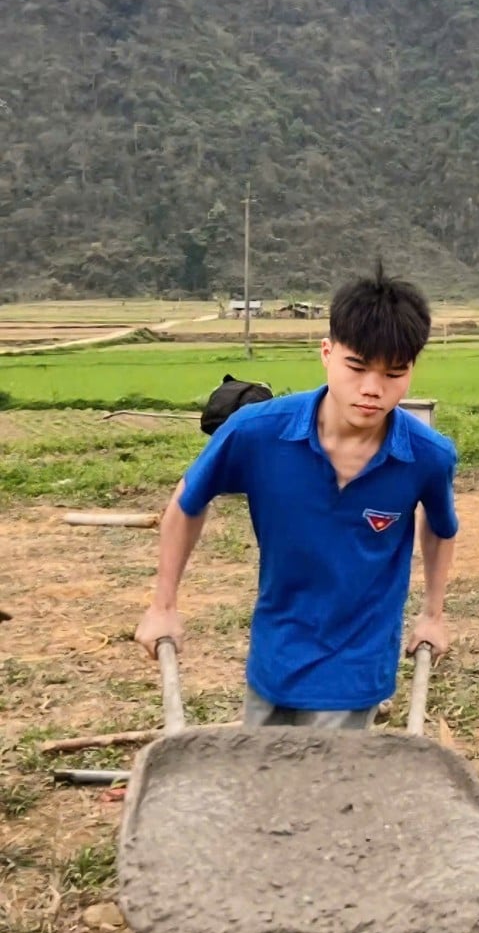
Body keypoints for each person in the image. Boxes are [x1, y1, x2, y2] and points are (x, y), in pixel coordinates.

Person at [134, 265, 458, 729]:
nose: (372, 389)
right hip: (277, 653)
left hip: (359, 665)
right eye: (357, 366)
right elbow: (188, 501)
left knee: (332, 794)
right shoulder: (257, 433)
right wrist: (163, 605)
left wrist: (433, 614)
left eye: (393, 373)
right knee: (268, 784)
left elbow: (442, 527)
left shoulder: (427, 456)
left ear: (411, 370)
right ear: (327, 353)